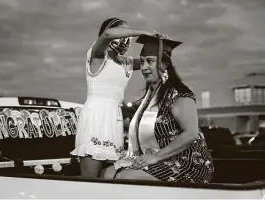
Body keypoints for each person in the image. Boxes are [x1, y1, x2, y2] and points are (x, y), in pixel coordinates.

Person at [103, 33, 214, 183]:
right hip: (159, 159)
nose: (144, 68)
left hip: (187, 162)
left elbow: (191, 134)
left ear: (164, 64)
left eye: (150, 61)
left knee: (125, 178)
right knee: (107, 173)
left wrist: (155, 157)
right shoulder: (150, 96)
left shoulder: (180, 94)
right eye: (142, 62)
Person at [70, 18, 154, 178]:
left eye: (128, 37)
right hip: (96, 117)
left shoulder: (126, 62)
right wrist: (143, 32)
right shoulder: (98, 55)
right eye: (123, 34)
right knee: (90, 180)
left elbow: (152, 61)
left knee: (108, 178)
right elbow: (108, 33)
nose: (126, 40)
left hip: (114, 119)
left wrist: (159, 42)